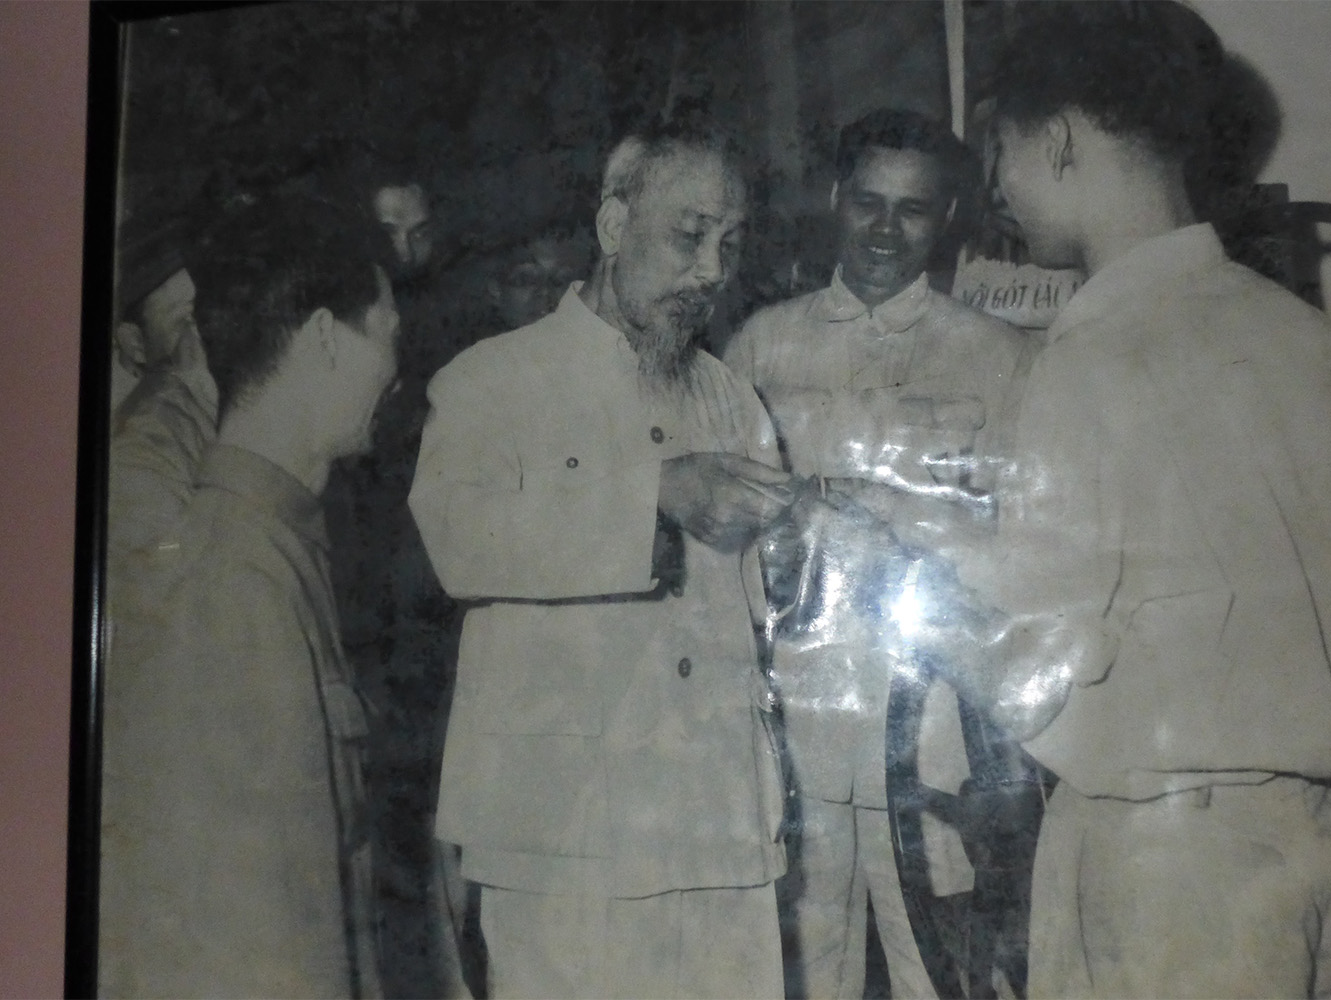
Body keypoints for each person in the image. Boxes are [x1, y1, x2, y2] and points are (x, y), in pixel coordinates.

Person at [977, 4, 1331, 996]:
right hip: (1328, 850)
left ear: (1061, 139)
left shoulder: (1088, 358)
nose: (996, 186)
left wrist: (935, 559)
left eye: (1000, 151)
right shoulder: (1311, 343)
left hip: (1172, 874)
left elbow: (1036, 665)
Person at [408, 115, 794, 999]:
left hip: (718, 822)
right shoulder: (490, 381)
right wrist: (650, 493)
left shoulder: (732, 396)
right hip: (564, 834)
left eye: (730, 245)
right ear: (614, 227)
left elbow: (758, 597)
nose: (712, 273)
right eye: (690, 237)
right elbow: (459, 541)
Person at [724, 107, 1036, 999]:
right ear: (834, 200)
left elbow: (1022, 553)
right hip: (794, 722)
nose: (886, 232)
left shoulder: (997, 359)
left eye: (913, 210)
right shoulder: (760, 346)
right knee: (800, 968)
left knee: (940, 968)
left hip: (934, 735)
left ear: (946, 221)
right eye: (868, 204)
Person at [99, 194, 400, 998]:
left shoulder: (276, 544)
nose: (398, 373)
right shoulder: (233, 584)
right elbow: (251, 947)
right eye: (390, 339)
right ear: (328, 340)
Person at [107, 217, 219, 559]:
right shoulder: (125, 438)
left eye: (204, 315)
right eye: (184, 321)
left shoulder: (194, 385)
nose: (202, 336)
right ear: (135, 343)